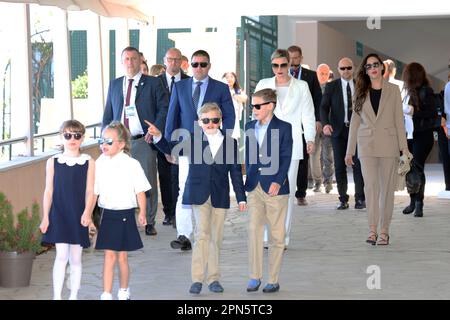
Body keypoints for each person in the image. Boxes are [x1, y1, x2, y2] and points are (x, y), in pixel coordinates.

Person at [148, 103, 246, 295]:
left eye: (215, 120)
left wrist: (241, 197)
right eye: (206, 120)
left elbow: (235, 172)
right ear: (199, 123)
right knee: (202, 235)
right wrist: (158, 135)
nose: (210, 124)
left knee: (216, 238)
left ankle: (214, 278)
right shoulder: (192, 140)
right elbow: (170, 148)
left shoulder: (230, 143)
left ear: (221, 121)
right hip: (199, 194)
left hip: (219, 195)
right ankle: (197, 279)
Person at [165, 49, 235, 251]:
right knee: (183, 188)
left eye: (203, 64)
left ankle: (206, 232)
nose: (199, 68)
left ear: (209, 66)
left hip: (212, 146)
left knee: (209, 188)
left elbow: (229, 116)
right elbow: (172, 116)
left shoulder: (221, 88)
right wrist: (171, 146)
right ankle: (183, 235)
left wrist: (225, 141)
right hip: (187, 145)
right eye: (195, 64)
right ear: (190, 65)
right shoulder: (180, 87)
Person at [102, 46, 168, 237]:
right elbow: (108, 113)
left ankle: (148, 221)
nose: (130, 62)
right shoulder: (115, 84)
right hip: (118, 143)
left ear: (140, 61)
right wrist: (105, 140)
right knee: (120, 183)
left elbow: (164, 108)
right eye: (126, 59)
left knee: (146, 182)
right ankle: (124, 220)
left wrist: (156, 128)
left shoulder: (153, 83)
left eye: (133, 59)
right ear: (122, 62)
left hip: (143, 140)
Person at [345, 53, 409, 246]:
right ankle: (372, 229)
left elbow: (399, 120)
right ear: (365, 70)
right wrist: (349, 150)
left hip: (389, 146)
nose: (372, 68)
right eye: (368, 66)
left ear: (382, 68)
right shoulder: (360, 91)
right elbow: (355, 123)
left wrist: (404, 149)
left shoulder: (393, 91)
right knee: (371, 188)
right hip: (366, 147)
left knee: (387, 191)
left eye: (375, 64)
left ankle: (384, 231)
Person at [255, 48, 315, 248]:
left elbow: (307, 113)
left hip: (292, 143)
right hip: (266, 141)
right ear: (271, 65)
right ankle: (265, 236)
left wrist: (310, 138)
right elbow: (255, 111)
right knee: (265, 190)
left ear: (290, 64)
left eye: (283, 65)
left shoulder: (301, 86)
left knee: (286, 192)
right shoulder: (264, 84)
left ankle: (283, 237)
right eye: (275, 65)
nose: (279, 69)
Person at [40, 120, 96, 300]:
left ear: (82, 138)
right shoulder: (53, 161)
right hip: (59, 213)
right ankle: (57, 296)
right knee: (61, 255)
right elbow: (48, 191)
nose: (72, 139)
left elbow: (90, 191)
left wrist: (88, 212)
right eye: (68, 135)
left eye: (77, 135)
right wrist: (45, 217)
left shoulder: (89, 162)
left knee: (76, 258)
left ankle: (73, 295)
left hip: (79, 214)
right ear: (61, 137)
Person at [94, 121, 150, 300]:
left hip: (125, 214)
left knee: (122, 257)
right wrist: (87, 213)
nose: (104, 145)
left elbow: (140, 190)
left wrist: (142, 212)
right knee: (109, 256)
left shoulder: (131, 164)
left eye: (109, 141)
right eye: (101, 141)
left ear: (122, 144)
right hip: (107, 214)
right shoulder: (99, 163)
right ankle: (106, 293)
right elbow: (94, 191)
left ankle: (124, 290)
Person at [245, 88, 293, 293]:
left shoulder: (284, 128)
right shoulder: (248, 127)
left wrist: (278, 180)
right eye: (252, 105)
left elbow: (285, 156)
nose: (253, 109)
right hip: (255, 187)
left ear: (270, 105)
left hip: (275, 188)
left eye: (257, 106)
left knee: (276, 235)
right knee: (253, 231)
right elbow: (248, 157)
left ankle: (273, 279)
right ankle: (254, 276)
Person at [321, 57, 366, 210]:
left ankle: (360, 198)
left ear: (353, 68)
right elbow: (324, 107)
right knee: (340, 166)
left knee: (358, 165)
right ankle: (343, 199)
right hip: (338, 131)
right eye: (342, 68)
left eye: (348, 68)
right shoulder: (331, 86)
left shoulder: (360, 86)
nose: (346, 71)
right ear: (338, 70)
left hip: (357, 132)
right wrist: (325, 124)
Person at [157, 48, 190, 227]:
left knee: (179, 175)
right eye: (170, 59)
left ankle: (180, 213)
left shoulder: (189, 82)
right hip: (161, 137)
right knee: (164, 175)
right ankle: (168, 212)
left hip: (182, 137)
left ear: (182, 62)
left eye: (177, 60)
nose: (173, 63)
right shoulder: (156, 82)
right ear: (165, 60)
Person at [401, 62, 439, 217]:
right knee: (408, 170)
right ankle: (412, 201)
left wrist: (413, 111)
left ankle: (419, 203)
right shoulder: (407, 92)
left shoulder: (426, 91)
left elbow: (432, 114)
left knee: (418, 168)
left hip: (422, 136)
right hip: (407, 136)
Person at [287, 45, 322, 205]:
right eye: (290, 57)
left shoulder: (311, 76)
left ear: (301, 58)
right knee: (285, 157)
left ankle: (300, 193)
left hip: (304, 123)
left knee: (303, 158)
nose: (293, 60)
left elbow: (318, 100)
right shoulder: (281, 74)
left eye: (296, 57)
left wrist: (318, 120)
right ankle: (284, 190)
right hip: (286, 123)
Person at [316, 63, 335, 193]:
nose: (323, 76)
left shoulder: (332, 88)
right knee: (316, 155)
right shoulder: (313, 88)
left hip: (328, 125)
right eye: (321, 73)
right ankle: (317, 181)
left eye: (325, 73)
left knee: (327, 155)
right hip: (316, 125)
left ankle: (328, 182)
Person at [222, 72, 248, 140]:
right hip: (222, 119)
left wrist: (233, 95)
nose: (229, 79)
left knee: (233, 140)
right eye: (227, 77)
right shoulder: (220, 90)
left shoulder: (237, 90)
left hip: (234, 118)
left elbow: (244, 98)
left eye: (231, 77)